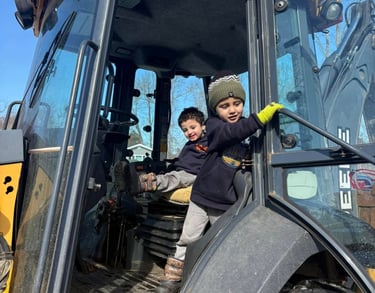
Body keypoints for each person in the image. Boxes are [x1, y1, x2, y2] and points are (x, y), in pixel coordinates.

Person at [155, 74, 284, 292]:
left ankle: (222, 276)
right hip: (202, 195)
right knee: (189, 237)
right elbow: (232, 133)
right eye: (224, 106)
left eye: (237, 104)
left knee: (224, 240)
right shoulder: (214, 126)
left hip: (223, 201)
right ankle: (174, 277)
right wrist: (259, 118)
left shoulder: (246, 129)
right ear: (216, 110)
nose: (232, 110)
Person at [113, 107, 208, 196]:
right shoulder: (190, 144)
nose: (189, 132)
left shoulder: (208, 142)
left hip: (193, 174)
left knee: (174, 179)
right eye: (185, 130)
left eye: (193, 127)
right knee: (158, 167)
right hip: (182, 169)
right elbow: (184, 159)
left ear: (203, 126)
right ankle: (130, 177)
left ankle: (146, 184)